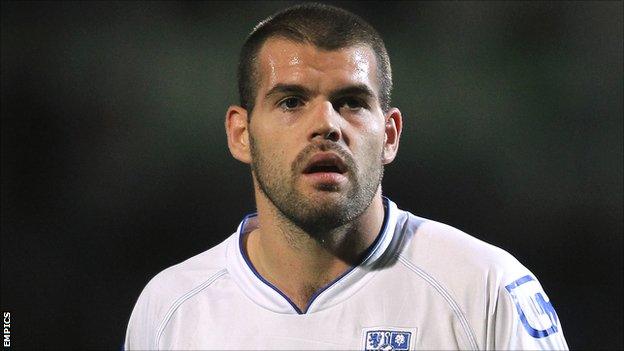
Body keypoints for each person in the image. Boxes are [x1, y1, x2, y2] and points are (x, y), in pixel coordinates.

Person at [124, 3, 569, 350]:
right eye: (291, 102)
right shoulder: (169, 308)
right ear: (241, 134)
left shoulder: (485, 289)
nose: (327, 125)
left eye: (352, 102)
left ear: (390, 135)